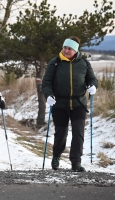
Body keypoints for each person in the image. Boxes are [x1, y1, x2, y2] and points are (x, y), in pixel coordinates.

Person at [42, 36, 97, 172]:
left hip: (78, 103)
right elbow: (46, 82)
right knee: (61, 134)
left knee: (78, 133)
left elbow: (92, 79)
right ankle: (56, 156)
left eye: (69, 48)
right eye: (65, 47)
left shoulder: (84, 64)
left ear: (75, 50)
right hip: (59, 104)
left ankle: (75, 162)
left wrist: (93, 86)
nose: (66, 50)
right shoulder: (54, 63)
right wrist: (48, 95)